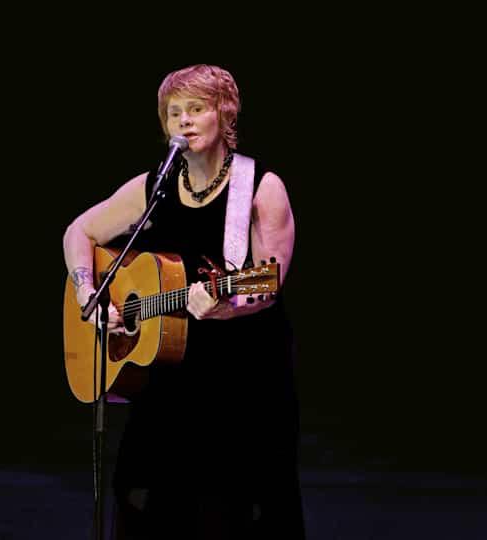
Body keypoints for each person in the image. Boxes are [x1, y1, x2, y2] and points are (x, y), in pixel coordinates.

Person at [63, 64, 303, 539]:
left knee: (226, 514)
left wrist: (226, 306)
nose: (184, 122)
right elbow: (79, 231)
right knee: (139, 498)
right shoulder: (154, 186)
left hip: (242, 378)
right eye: (174, 114)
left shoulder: (260, 187)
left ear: (225, 115)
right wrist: (89, 293)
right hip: (167, 377)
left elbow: (267, 286)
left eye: (197, 109)